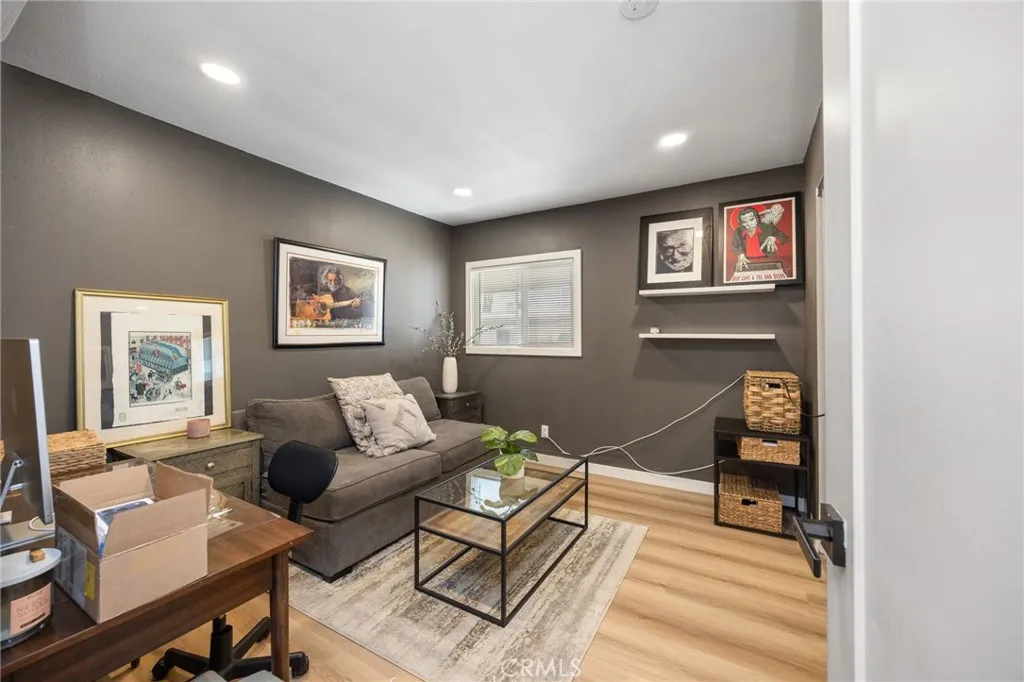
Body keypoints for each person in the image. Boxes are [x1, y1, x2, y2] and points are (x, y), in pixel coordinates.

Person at [730, 205, 788, 272]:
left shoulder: (767, 227)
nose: (749, 224)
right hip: (748, 263)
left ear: (757, 219)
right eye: (744, 222)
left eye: (751, 220)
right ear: (741, 223)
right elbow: (734, 246)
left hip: (768, 261)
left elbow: (784, 237)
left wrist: (773, 238)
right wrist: (740, 254)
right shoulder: (738, 231)